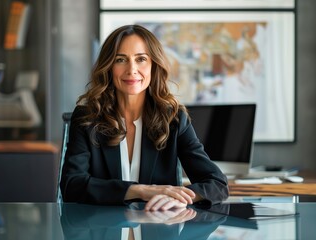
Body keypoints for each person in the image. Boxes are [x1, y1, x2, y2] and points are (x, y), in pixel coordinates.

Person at [60, 24, 229, 211]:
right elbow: (71, 186)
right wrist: (139, 190)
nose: (132, 70)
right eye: (120, 60)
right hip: (103, 229)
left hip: (159, 227)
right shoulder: (87, 118)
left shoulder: (173, 119)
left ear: (153, 65)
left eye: (141, 59)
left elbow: (217, 183)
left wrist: (181, 198)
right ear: (108, 67)